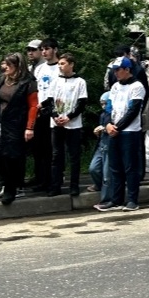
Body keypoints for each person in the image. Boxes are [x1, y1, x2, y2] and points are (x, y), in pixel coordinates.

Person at [0, 53, 39, 206]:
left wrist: (30, 127)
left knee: (12, 157)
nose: (5, 67)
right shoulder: (1, 78)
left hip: (17, 122)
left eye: (9, 65)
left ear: (17, 66)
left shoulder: (28, 81)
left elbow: (33, 105)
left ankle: (12, 189)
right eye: (5, 64)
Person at [96, 57, 146, 212]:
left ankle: (132, 200)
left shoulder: (137, 86)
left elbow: (133, 110)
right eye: (114, 70)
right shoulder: (115, 87)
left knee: (130, 167)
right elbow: (109, 108)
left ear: (127, 69)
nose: (115, 73)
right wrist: (108, 124)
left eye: (118, 70)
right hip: (114, 131)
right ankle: (116, 199)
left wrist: (117, 127)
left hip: (130, 132)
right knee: (115, 167)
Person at [48, 53, 88, 197]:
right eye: (59, 64)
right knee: (56, 155)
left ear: (71, 64)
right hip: (57, 124)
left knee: (74, 156)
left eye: (63, 63)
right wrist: (55, 116)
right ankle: (55, 186)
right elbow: (50, 101)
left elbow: (81, 103)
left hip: (73, 124)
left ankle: (74, 185)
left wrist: (69, 117)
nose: (60, 66)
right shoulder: (55, 81)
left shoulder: (80, 82)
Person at [31, 38, 59, 192]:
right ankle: (41, 179)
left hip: (53, 110)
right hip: (39, 110)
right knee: (39, 148)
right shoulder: (40, 69)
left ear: (55, 49)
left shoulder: (60, 67)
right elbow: (37, 89)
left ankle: (53, 180)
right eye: (42, 49)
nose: (44, 52)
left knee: (52, 148)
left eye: (47, 48)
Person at [88, 92, 112, 200]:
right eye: (101, 103)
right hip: (101, 144)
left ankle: (106, 199)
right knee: (93, 168)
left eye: (105, 103)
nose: (103, 106)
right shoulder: (102, 114)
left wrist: (105, 129)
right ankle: (98, 185)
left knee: (107, 175)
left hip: (109, 144)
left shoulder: (115, 113)